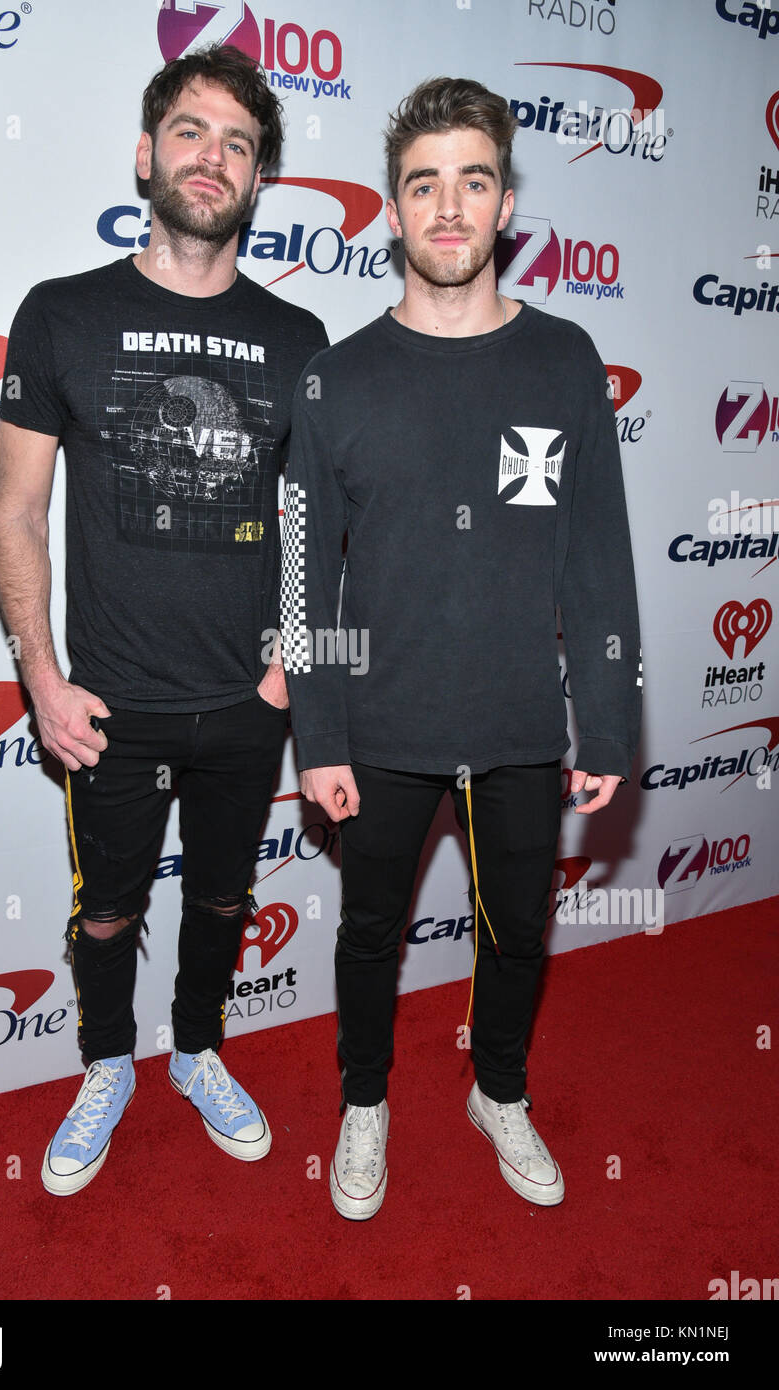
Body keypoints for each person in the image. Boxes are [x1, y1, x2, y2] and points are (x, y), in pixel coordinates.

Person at [280, 77, 641, 1220]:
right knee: (371, 934)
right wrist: (319, 736)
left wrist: (611, 716)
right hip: (377, 730)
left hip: (520, 725)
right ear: (392, 210)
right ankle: (365, 1100)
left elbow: (597, 558)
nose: (448, 206)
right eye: (423, 184)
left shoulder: (565, 358)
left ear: (504, 205)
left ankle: (498, 1090)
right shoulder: (337, 376)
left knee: (517, 933)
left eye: (471, 180)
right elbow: (304, 575)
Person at [0, 44, 328, 1196]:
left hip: (248, 702)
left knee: (227, 895)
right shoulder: (60, 315)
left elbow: (316, 519)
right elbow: (18, 511)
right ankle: (105, 1063)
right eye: (191, 131)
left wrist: (294, 661)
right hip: (108, 703)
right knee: (109, 908)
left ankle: (195, 1050)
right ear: (146, 153)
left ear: (258, 178)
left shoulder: (299, 340)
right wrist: (38, 671)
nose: (212, 156)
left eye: (238, 143)